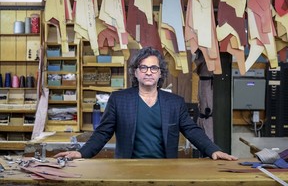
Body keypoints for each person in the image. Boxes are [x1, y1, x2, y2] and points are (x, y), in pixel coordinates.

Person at [54, 46, 237, 160]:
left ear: (160, 73)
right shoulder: (119, 100)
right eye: (143, 67)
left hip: (165, 171)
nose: (148, 72)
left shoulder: (174, 103)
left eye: (153, 68)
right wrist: (81, 153)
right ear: (135, 72)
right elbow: (102, 133)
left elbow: (192, 130)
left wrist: (213, 150)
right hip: (128, 171)